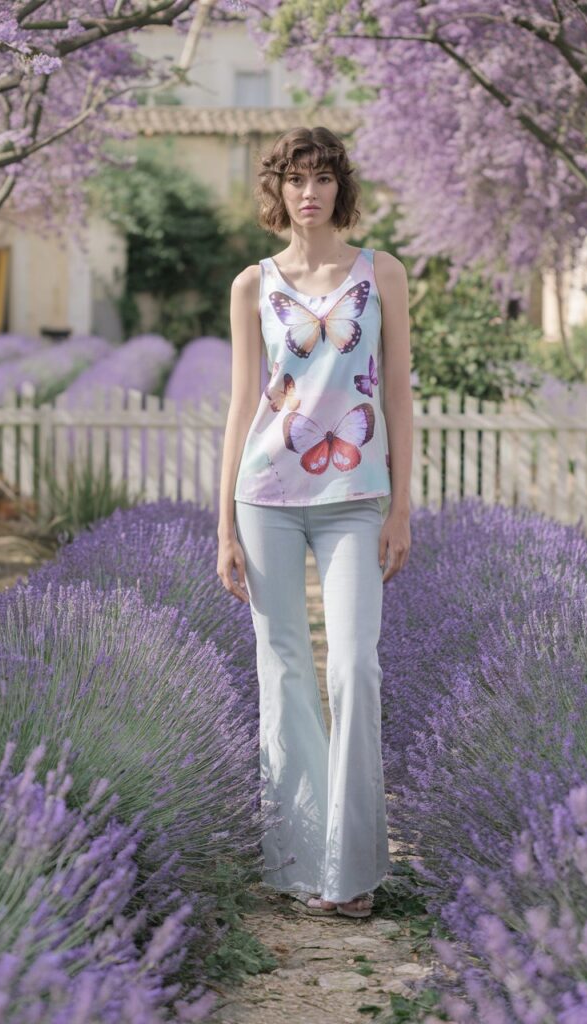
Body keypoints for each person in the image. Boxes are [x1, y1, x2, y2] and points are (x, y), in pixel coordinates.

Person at [217, 125, 413, 920]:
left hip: (356, 494)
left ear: (341, 187)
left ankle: (352, 870)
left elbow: (397, 392)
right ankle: (300, 864)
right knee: (285, 673)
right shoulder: (252, 285)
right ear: (278, 189)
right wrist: (223, 527)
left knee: (354, 668)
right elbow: (241, 404)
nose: (309, 191)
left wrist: (401, 506)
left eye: (322, 176)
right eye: (296, 178)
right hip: (264, 493)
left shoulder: (381, 273)